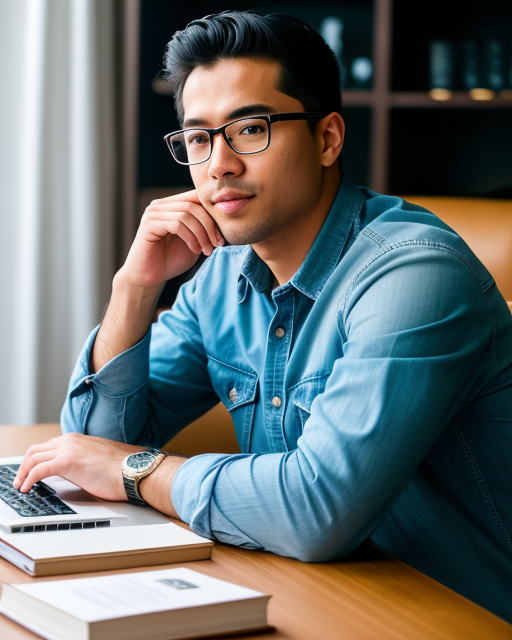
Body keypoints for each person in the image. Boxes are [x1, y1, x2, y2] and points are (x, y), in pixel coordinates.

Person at [14, 11, 512, 623]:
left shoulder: (415, 276)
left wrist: (139, 471)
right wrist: (134, 289)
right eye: (199, 138)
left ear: (328, 138)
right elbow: (93, 444)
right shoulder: (224, 272)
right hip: (308, 592)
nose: (219, 163)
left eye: (250, 128)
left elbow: (316, 511)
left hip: (453, 613)